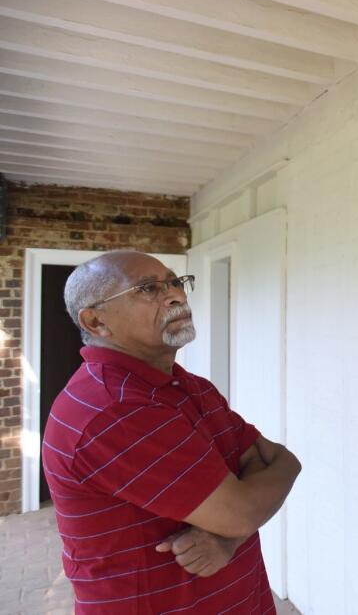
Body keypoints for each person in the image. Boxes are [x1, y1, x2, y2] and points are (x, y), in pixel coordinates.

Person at [41, 251, 301, 613]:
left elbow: (283, 460)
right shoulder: (112, 409)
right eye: (148, 288)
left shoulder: (191, 386)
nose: (176, 295)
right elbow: (241, 510)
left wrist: (226, 540)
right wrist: (238, 519)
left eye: (176, 282)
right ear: (96, 321)